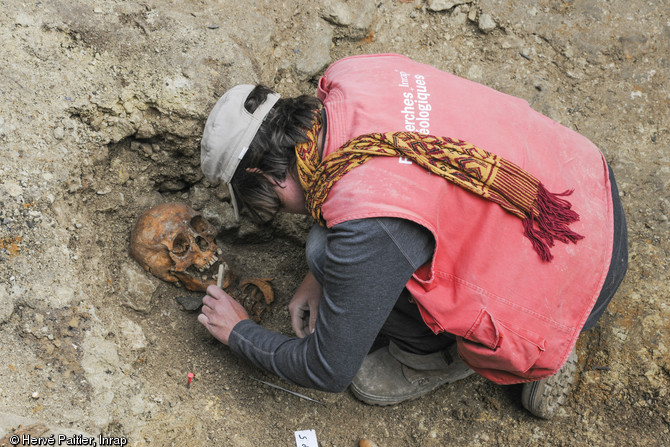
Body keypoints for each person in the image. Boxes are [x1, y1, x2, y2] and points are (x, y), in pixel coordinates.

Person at [198, 54, 628, 419]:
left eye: (260, 203)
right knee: (325, 254)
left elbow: (327, 370)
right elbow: (377, 180)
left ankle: (437, 357)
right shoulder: (353, 74)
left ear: (265, 177)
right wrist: (321, 278)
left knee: (324, 250)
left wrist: (239, 332)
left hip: (577, 273)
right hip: (585, 186)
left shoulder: (369, 224)